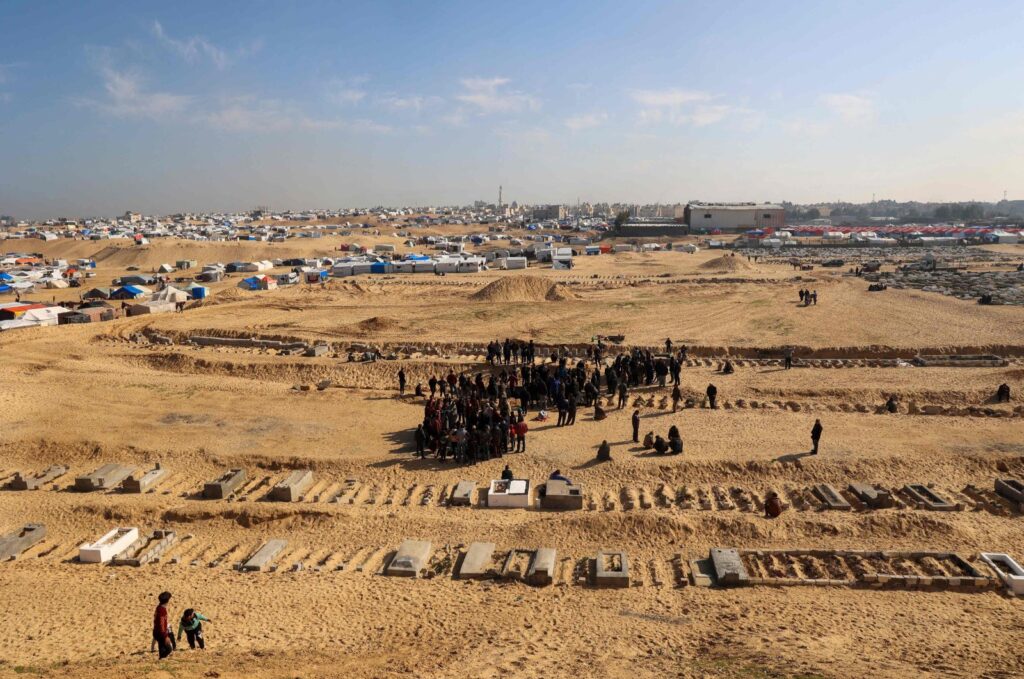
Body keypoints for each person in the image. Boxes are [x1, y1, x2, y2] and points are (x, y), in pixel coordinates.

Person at [153, 591, 174, 659]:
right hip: (160, 633)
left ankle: (161, 658)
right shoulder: (162, 610)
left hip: (157, 632)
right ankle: (161, 659)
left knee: (162, 649)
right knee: (169, 649)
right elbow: (161, 624)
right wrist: (165, 636)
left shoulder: (159, 607)